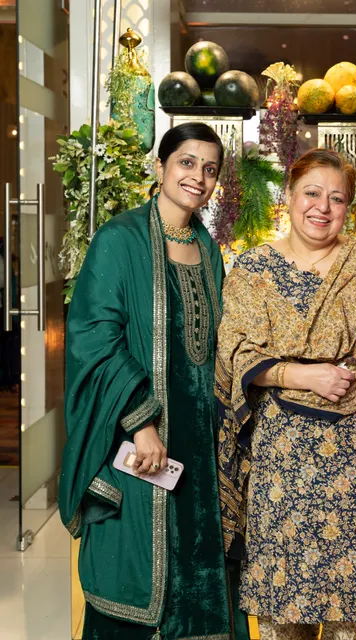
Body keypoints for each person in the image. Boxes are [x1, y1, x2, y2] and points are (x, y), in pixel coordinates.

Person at [59, 122, 248, 640]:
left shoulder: (207, 248)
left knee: (200, 578)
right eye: (187, 163)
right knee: (137, 570)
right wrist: (142, 425)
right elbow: (95, 339)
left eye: (210, 169)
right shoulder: (119, 239)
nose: (198, 177)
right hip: (140, 437)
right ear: (161, 166)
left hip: (201, 448)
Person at [215, 149, 356, 640]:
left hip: (355, 447)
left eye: (337, 198)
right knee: (281, 595)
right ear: (289, 196)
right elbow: (235, 352)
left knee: (346, 600)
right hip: (283, 448)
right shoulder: (254, 267)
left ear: (349, 206)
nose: (322, 207)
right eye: (311, 193)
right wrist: (303, 376)